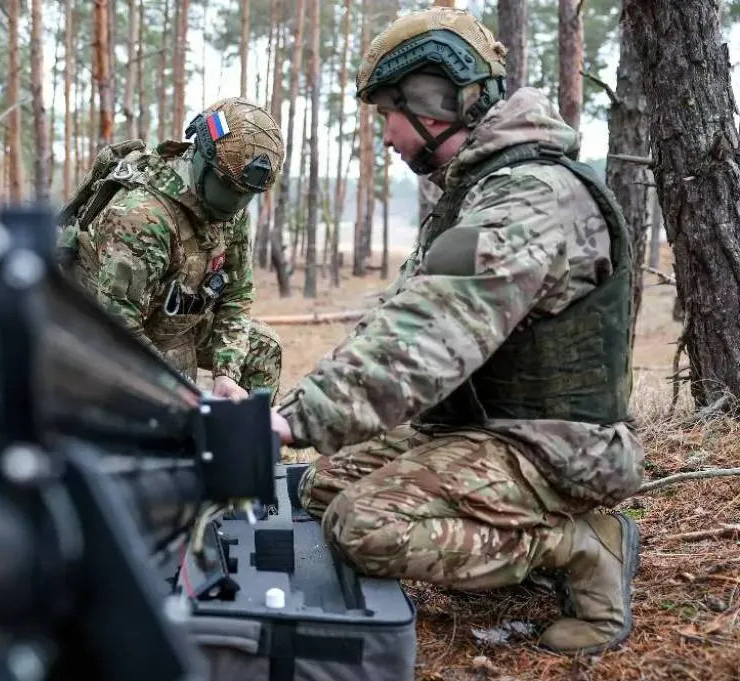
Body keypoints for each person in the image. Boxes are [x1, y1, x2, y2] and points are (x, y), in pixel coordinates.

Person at [268, 7, 646, 656]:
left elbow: (429, 339)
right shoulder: (478, 195)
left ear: (434, 100)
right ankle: (525, 529)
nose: (383, 134)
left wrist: (294, 422)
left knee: (360, 525)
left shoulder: (524, 199)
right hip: (488, 426)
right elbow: (401, 318)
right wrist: (294, 408)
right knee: (324, 484)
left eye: (387, 110)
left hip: (554, 445)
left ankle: (582, 544)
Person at [60, 97, 285, 401]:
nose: (238, 203)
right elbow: (120, 328)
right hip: (106, 336)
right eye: (230, 189)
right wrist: (184, 391)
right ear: (203, 161)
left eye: (248, 195)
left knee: (264, 348)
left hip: (174, 324)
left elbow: (237, 293)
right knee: (177, 396)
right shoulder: (142, 216)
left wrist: (226, 372)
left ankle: (252, 444)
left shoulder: (231, 211)